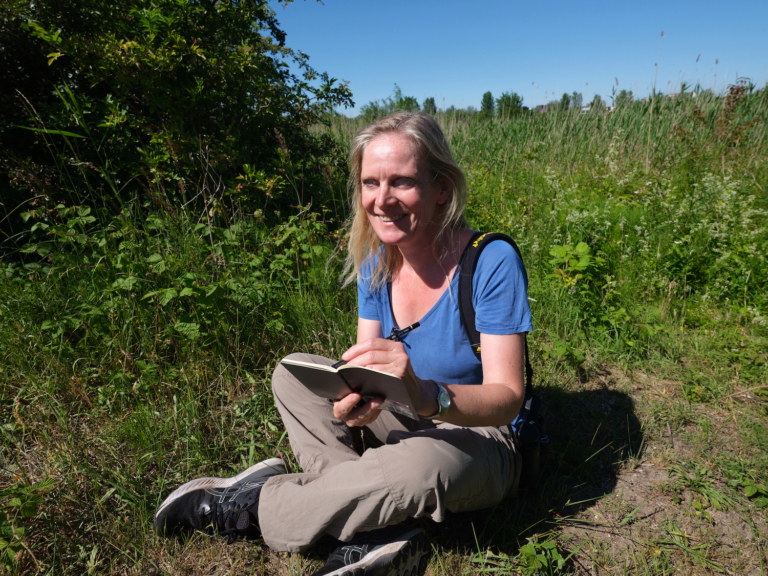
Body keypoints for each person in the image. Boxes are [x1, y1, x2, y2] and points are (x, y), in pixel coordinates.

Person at [153, 111, 533, 576]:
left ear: (441, 190)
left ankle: (248, 506)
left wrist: (425, 394)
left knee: (417, 467)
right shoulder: (377, 261)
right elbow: (364, 370)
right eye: (370, 183)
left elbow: (507, 400)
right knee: (291, 373)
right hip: (401, 419)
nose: (383, 199)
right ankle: (375, 528)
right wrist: (355, 401)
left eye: (403, 182)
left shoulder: (490, 261)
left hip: (477, 438)